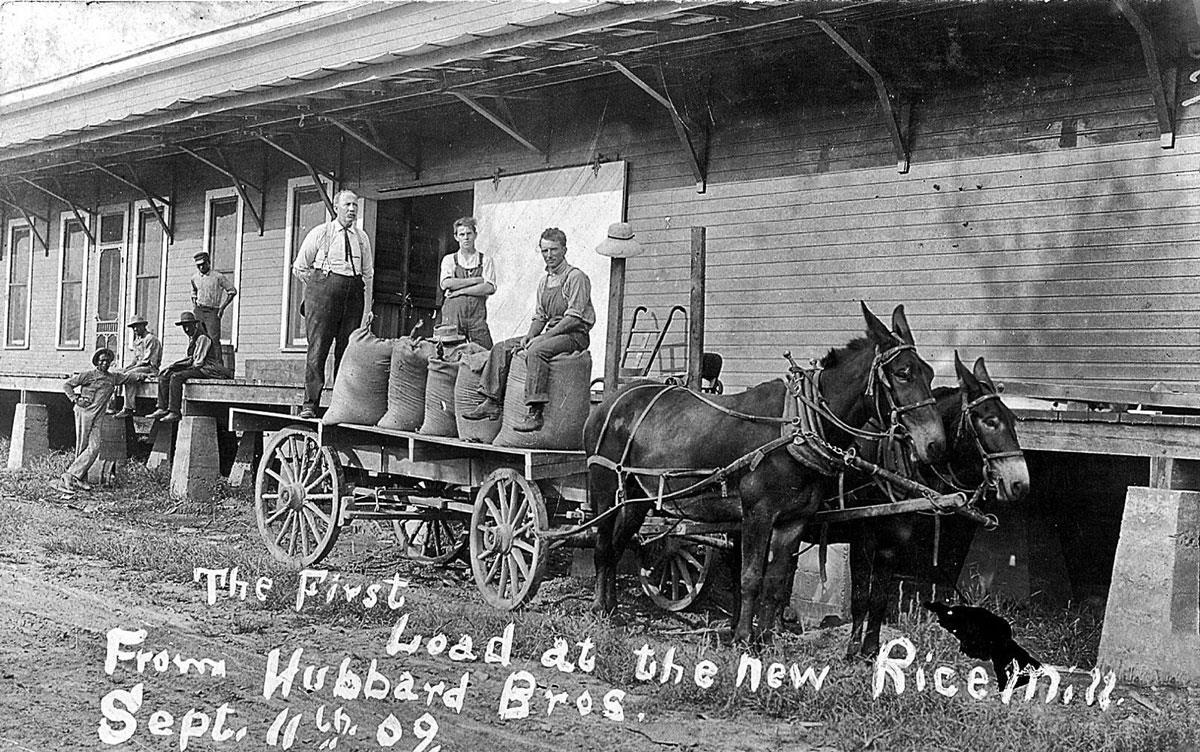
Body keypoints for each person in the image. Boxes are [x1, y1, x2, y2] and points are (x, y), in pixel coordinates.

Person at [462, 227, 594, 432]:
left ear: (564, 250)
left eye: (553, 250)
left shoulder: (576, 277)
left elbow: (574, 317)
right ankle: (491, 402)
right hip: (551, 333)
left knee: (536, 351)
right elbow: (540, 316)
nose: (549, 255)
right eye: (544, 251)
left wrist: (541, 339)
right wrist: (531, 335)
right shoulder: (545, 281)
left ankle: (535, 412)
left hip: (574, 335)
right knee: (501, 347)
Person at [292, 189, 375, 419]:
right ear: (336, 207)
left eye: (355, 206)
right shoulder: (321, 233)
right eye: (347, 205)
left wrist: (367, 309)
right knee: (318, 349)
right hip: (323, 297)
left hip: (353, 296)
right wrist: (319, 287)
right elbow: (299, 267)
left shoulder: (362, 238)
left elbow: (368, 274)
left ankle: (340, 405)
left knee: (347, 351)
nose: (352, 209)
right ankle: (310, 404)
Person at [59, 348, 134, 492]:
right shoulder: (88, 375)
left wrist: (143, 375)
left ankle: (71, 475)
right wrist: (75, 399)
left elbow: (128, 378)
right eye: (102, 361)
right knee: (82, 445)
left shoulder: (113, 378)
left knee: (94, 447)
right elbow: (67, 385)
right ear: (96, 362)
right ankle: (80, 478)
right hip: (84, 413)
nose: (105, 363)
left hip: (98, 416)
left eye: (107, 361)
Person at [146, 312, 232, 423]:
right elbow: (189, 358)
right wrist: (173, 367)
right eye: (184, 327)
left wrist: (179, 369)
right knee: (164, 374)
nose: (186, 329)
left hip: (207, 370)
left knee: (176, 377)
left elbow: (198, 362)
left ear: (194, 325)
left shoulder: (202, 338)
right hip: (198, 367)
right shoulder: (192, 338)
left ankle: (174, 411)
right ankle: (162, 407)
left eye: (188, 326)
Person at [439, 217, 496, 348]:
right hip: (453, 318)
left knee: (485, 352)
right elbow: (446, 283)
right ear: (456, 237)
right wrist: (475, 280)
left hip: (477, 318)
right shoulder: (449, 259)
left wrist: (460, 291)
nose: (466, 238)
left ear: (475, 235)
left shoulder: (486, 260)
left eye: (469, 234)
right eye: (462, 234)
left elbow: (489, 287)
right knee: (450, 354)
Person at [112, 314, 163, 418]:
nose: (135, 329)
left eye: (137, 326)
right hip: (139, 367)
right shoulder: (137, 341)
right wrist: (126, 368)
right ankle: (112, 403)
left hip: (150, 369)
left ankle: (128, 408)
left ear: (144, 326)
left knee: (130, 375)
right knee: (116, 372)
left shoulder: (151, 339)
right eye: (133, 327)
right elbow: (135, 361)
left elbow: (146, 361)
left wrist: (130, 370)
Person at [190, 250, 237, 346]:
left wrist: (222, 308)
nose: (201, 267)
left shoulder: (218, 277)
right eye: (198, 266)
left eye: (203, 264)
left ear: (208, 262)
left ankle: (217, 361)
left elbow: (232, 291)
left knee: (213, 339)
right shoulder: (194, 278)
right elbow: (194, 292)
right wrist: (195, 306)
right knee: (197, 337)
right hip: (199, 311)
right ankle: (197, 360)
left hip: (212, 311)